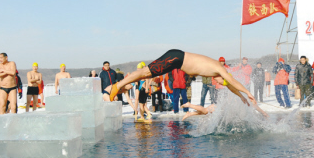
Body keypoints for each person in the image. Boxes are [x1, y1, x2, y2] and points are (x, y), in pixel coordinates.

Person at [106, 50, 257, 109]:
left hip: (177, 60)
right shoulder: (220, 69)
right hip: (176, 58)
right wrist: (247, 92)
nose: (217, 82)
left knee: (146, 74)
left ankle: (117, 87)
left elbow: (230, 85)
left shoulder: (216, 72)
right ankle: (116, 86)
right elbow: (232, 82)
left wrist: (241, 96)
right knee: (145, 72)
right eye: (220, 81)